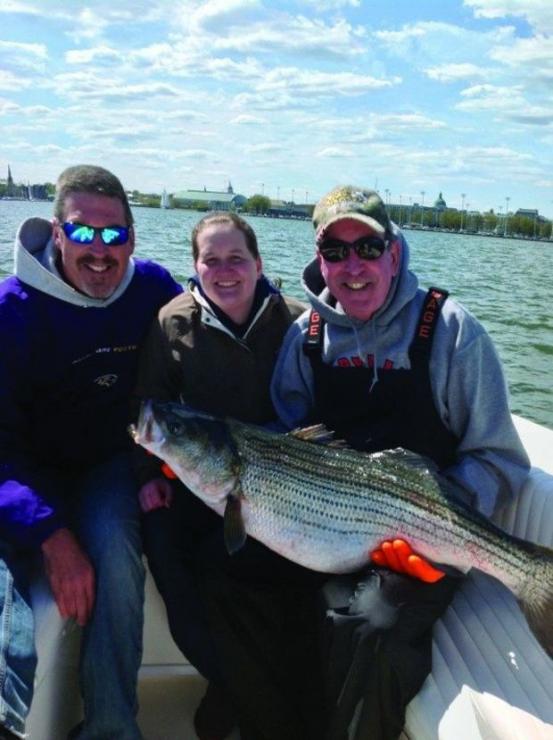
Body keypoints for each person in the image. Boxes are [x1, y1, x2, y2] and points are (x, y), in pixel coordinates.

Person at [267, 185, 530, 739]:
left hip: (429, 540)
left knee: (370, 624)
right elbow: (286, 444)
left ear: (393, 251)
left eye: (367, 247)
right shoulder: (304, 338)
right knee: (232, 574)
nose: (353, 266)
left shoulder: (453, 331)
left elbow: (500, 458)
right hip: (324, 524)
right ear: (320, 261)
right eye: (335, 252)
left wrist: (430, 518)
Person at [0, 164, 182, 740]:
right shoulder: (11, 310)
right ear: (56, 234)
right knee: (10, 616)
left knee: (116, 551)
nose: (100, 252)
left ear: (131, 237)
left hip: (106, 465)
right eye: (82, 233)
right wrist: (51, 535)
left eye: (114, 235)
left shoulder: (152, 288)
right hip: (19, 473)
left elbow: (226, 310)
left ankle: (110, 730)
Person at [133, 211, 307, 740]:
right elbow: (151, 406)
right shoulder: (172, 322)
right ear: (195, 266)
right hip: (199, 478)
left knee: (280, 585)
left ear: (258, 264)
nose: (224, 271)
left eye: (237, 259)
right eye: (211, 259)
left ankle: (247, 696)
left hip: (282, 486)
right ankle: (234, 688)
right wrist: (150, 474)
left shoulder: (299, 321)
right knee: (171, 561)